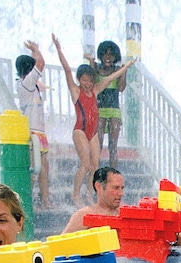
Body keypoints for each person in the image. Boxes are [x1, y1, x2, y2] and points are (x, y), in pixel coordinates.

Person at [52, 34, 136, 208]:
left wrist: (127, 66)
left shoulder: (96, 90)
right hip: (80, 130)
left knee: (95, 165)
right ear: (79, 80)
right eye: (84, 80)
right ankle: (75, 194)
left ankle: (90, 194)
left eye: (90, 80)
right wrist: (59, 49)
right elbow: (67, 70)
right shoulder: (76, 92)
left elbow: (111, 78)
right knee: (85, 163)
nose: (88, 84)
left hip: (91, 133)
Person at [16, 40, 52, 208]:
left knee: (44, 169)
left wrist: (33, 52)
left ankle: (45, 200)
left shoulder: (31, 85)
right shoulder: (25, 84)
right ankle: (26, 203)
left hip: (40, 133)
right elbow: (41, 64)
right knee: (32, 170)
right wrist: (37, 50)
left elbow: (36, 65)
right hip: (32, 133)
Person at [93, 41, 128, 169]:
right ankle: (95, 171)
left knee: (113, 145)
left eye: (111, 55)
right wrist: (91, 62)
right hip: (100, 109)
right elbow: (90, 85)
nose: (108, 57)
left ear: (116, 57)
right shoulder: (96, 68)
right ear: (100, 55)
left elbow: (121, 88)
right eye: (105, 54)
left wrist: (124, 72)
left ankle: (113, 174)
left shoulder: (118, 70)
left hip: (114, 110)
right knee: (98, 144)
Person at [61, 166, 125, 234]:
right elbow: (61, 243)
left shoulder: (124, 213)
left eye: (122, 188)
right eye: (116, 188)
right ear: (99, 187)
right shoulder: (84, 215)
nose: (121, 193)